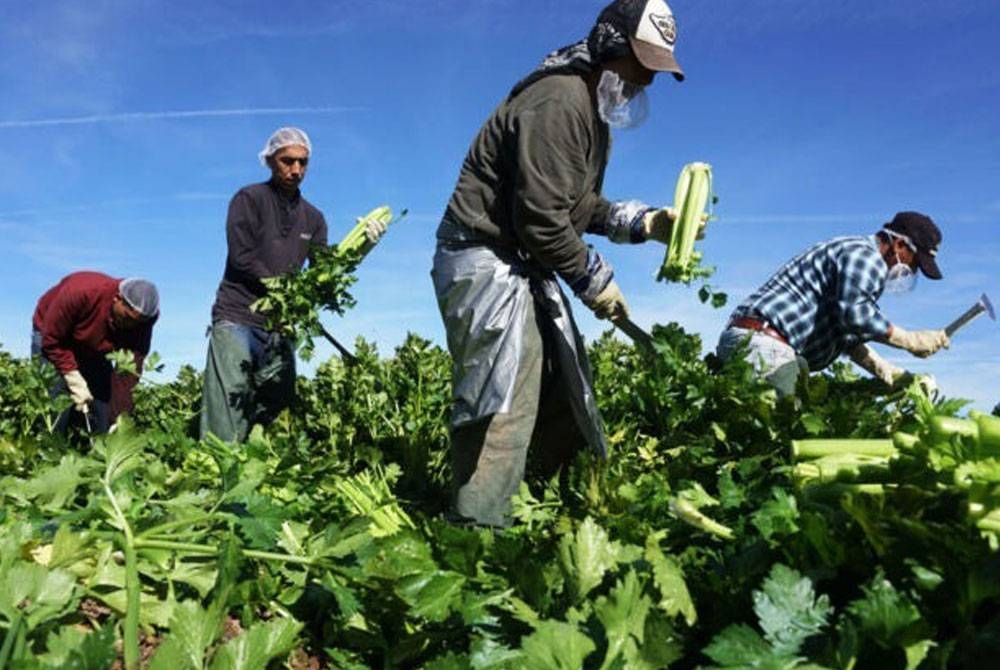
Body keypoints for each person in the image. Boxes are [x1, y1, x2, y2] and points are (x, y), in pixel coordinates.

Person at [431, 0, 688, 527]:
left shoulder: (592, 115)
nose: (644, 81)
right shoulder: (560, 100)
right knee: (505, 394)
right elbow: (542, 219)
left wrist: (644, 223)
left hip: (522, 259)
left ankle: (540, 508)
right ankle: (477, 530)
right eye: (640, 65)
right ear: (609, 47)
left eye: (654, 72)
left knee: (562, 380)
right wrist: (595, 280)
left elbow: (579, 207)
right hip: (485, 256)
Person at [200, 127, 385, 442]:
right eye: (287, 161)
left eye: (303, 162)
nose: (296, 170)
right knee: (227, 406)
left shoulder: (314, 218)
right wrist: (285, 289)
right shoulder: (249, 199)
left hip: (280, 324)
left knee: (279, 405)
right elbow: (242, 257)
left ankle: (260, 472)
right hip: (237, 315)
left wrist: (364, 246)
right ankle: (215, 478)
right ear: (271, 160)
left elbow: (325, 275)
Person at [717, 211, 950, 396]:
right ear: (899, 245)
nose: (911, 270)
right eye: (915, 262)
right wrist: (911, 340)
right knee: (780, 434)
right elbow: (857, 316)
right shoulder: (867, 258)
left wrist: (886, 370)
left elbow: (847, 333)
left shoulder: (853, 253)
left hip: (754, 341)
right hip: (766, 347)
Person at [32, 271, 159, 434]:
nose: (130, 326)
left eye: (137, 323)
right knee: (55, 403)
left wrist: (118, 418)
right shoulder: (81, 292)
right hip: (53, 335)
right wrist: (73, 378)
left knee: (102, 407)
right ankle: (50, 448)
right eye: (127, 317)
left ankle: (93, 445)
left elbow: (128, 372)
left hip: (96, 346)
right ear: (117, 299)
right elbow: (52, 340)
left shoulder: (143, 321)